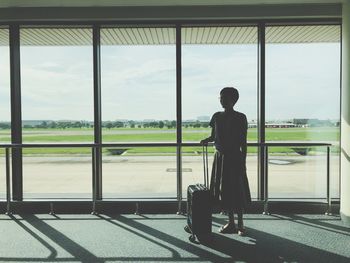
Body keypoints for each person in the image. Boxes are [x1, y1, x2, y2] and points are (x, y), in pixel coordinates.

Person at [200, 87, 251, 236]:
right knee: (224, 190)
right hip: (221, 157)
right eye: (220, 98)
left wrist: (244, 160)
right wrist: (206, 140)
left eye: (224, 98)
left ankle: (240, 223)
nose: (221, 100)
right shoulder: (216, 116)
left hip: (234, 157)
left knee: (237, 190)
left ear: (233, 100)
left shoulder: (241, 117)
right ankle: (231, 222)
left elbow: (243, 142)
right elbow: (214, 136)